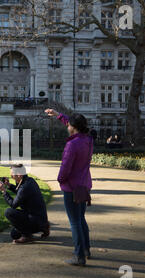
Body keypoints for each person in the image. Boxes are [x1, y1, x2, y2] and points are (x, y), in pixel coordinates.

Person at [45, 108, 93, 266]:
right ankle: (86, 250)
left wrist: (60, 180)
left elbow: (65, 167)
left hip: (72, 186)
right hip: (84, 184)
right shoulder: (87, 139)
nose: (67, 126)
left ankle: (79, 256)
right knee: (80, 219)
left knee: (74, 222)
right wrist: (58, 114)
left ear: (73, 127)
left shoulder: (72, 144)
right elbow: (71, 123)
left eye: (69, 125)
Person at [0, 164, 50, 244]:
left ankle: (27, 236)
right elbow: (20, 193)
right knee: (14, 234)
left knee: (8, 212)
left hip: (34, 219)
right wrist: (8, 185)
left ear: (19, 175)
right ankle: (43, 227)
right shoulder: (29, 180)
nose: (11, 176)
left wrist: (4, 192)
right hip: (39, 217)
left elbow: (13, 204)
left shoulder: (25, 187)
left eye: (12, 174)